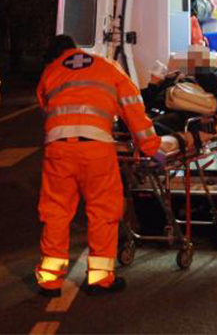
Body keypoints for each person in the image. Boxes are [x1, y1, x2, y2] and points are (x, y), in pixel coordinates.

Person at [34, 35, 160, 296]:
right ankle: (100, 279)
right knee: (102, 212)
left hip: (59, 150)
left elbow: (47, 108)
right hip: (96, 149)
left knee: (55, 212)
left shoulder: (50, 72)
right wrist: (150, 146)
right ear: (74, 48)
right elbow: (132, 106)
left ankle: (49, 279)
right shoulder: (106, 66)